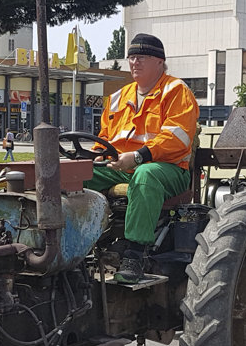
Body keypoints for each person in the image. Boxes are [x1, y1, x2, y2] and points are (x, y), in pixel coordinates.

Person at [84, 33, 199, 283]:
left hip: (168, 169)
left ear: (160, 62)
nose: (134, 62)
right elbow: (104, 137)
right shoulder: (118, 97)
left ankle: (134, 254)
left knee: (146, 175)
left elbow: (177, 139)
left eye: (142, 57)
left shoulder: (176, 91)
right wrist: (93, 157)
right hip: (121, 166)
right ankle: (71, 245)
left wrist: (138, 157)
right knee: (74, 174)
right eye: (132, 57)